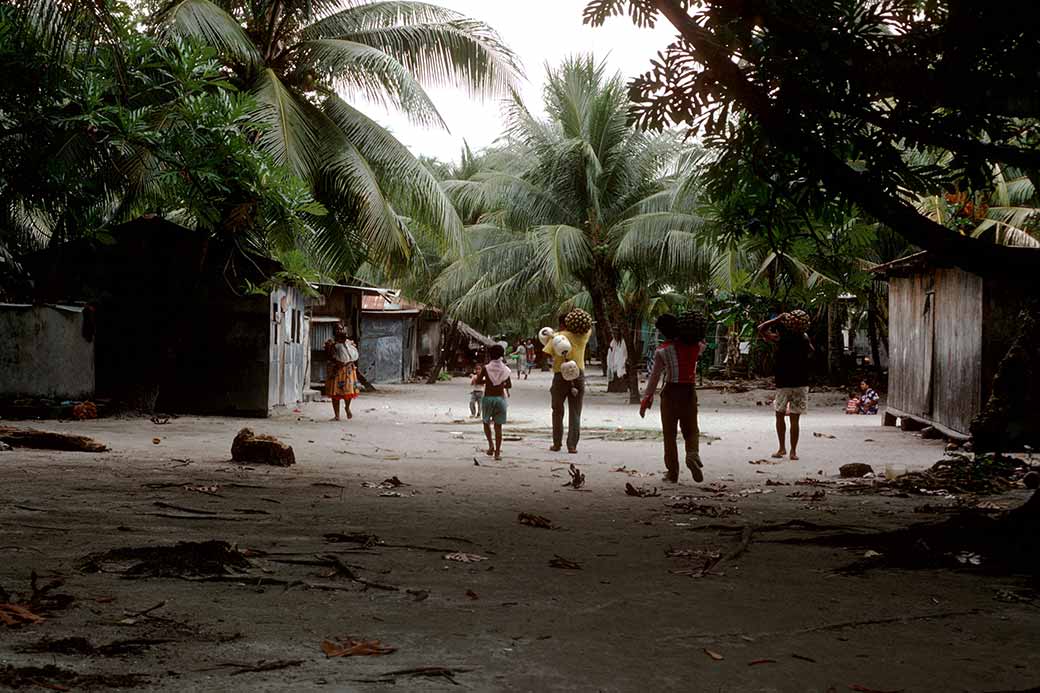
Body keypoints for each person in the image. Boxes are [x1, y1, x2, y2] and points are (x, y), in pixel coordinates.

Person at [640, 313, 706, 483]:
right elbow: (703, 344)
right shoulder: (695, 346)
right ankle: (692, 454)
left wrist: (647, 398)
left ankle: (672, 472)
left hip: (670, 393)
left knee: (669, 435)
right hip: (689, 392)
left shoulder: (662, 350)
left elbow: (654, 377)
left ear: (662, 331)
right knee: (692, 430)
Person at [757, 310, 814, 460]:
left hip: (783, 382)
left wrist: (778, 318)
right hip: (801, 382)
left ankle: (782, 448)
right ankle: (793, 452)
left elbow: (761, 329)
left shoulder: (780, 338)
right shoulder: (804, 338)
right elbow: (811, 352)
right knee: (795, 419)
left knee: (779, 415)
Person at [544, 309, 593, 453]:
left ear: (561, 324)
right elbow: (588, 326)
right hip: (578, 375)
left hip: (560, 376)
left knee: (557, 410)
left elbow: (546, 353)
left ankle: (557, 443)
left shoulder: (558, 336)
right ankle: (572, 446)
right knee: (575, 412)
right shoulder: (584, 335)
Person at [475, 344, 512, 460]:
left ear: (490, 355)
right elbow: (509, 385)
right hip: (500, 399)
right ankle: (497, 453)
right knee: (498, 427)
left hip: (488, 398)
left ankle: (491, 445)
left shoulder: (486, 368)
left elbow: (479, 380)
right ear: (502, 355)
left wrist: (488, 381)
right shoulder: (505, 369)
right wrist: (500, 382)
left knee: (486, 422)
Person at [324, 327, 359, 421]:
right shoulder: (333, 345)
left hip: (346, 370)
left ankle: (346, 409)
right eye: (338, 331)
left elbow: (353, 357)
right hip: (339, 370)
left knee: (348, 391)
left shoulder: (349, 344)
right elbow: (330, 357)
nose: (340, 332)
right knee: (335, 393)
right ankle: (337, 415)